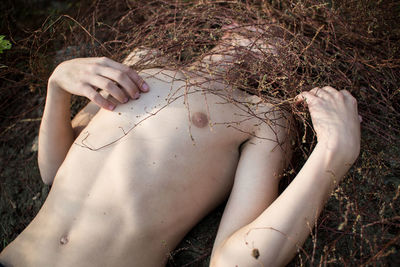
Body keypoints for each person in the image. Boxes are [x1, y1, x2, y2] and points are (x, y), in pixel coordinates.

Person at [0, 24, 360, 267]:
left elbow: (235, 261)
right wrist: (58, 86)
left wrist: (334, 151)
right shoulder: (142, 60)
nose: (266, 28)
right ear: (228, 25)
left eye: (288, 31)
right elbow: (54, 171)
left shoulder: (264, 117)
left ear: (295, 60)